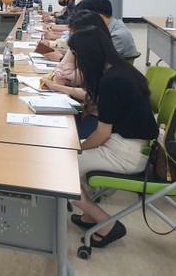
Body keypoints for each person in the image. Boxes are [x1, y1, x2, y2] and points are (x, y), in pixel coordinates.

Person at [66, 27, 157, 249]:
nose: (77, 61)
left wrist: (78, 148)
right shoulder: (122, 71)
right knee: (67, 155)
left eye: (77, 55)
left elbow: (102, 135)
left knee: (59, 169)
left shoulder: (112, 81)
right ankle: (89, 217)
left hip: (124, 152)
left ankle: (106, 223)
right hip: (131, 145)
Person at [42, 10, 113, 139]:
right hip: (89, 108)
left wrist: (58, 86)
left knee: (64, 137)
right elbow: (60, 71)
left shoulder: (100, 58)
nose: (72, 35)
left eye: (74, 32)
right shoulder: (89, 46)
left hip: (102, 118)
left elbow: (91, 92)